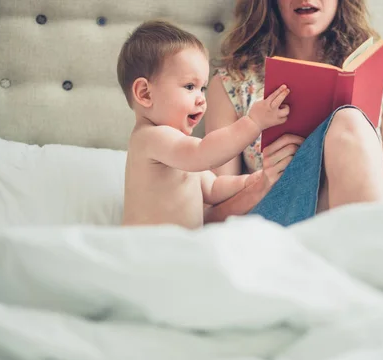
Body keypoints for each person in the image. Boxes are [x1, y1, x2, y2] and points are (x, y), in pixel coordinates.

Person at [204, 0, 383, 226]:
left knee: (349, 119)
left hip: (353, 215)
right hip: (279, 218)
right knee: (349, 118)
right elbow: (210, 217)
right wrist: (260, 185)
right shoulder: (234, 83)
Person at [118, 20, 291, 229]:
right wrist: (253, 123)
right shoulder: (150, 138)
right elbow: (203, 153)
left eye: (203, 88)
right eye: (190, 86)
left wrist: (248, 182)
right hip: (149, 250)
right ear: (145, 93)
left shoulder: (181, 149)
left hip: (180, 250)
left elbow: (214, 187)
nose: (201, 98)